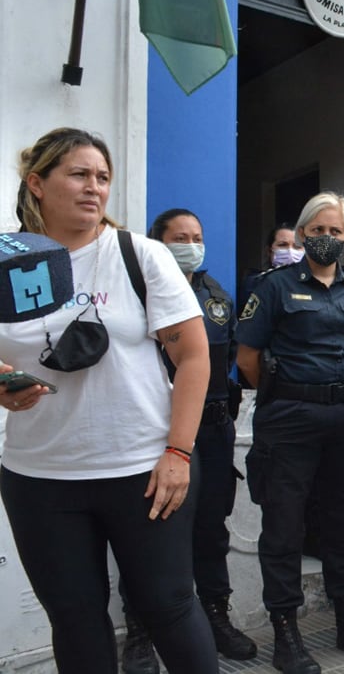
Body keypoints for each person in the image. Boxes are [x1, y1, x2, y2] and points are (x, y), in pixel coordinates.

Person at [0, 128, 218, 672]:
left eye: (102, 177)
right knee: (74, 618)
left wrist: (178, 453)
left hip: (141, 469)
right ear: (37, 183)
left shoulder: (137, 255)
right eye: (78, 174)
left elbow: (194, 357)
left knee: (168, 607)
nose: (94, 187)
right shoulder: (6, 263)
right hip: (40, 476)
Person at [237, 191, 344, 673]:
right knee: (283, 527)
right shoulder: (274, 287)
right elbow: (247, 359)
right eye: (318, 230)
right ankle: (286, 630)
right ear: (303, 234)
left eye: (336, 231)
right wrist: (296, 393)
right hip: (290, 423)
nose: (327, 239)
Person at [117, 209, 255, 667]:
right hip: (156, 429)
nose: (191, 244)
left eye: (196, 236)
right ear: (157, 242)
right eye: (180, 237)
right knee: (148, 531)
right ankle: (139, 631)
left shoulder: (217, 297)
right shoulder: (135, 290)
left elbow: (228, 357)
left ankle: (215, 615)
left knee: (211, 529)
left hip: (212, 428)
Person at [239, 223, 304, 309]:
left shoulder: (316, 284)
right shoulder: (256, 284)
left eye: (297, 246)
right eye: (282, 245)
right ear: (269, 251)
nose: (290, 251)